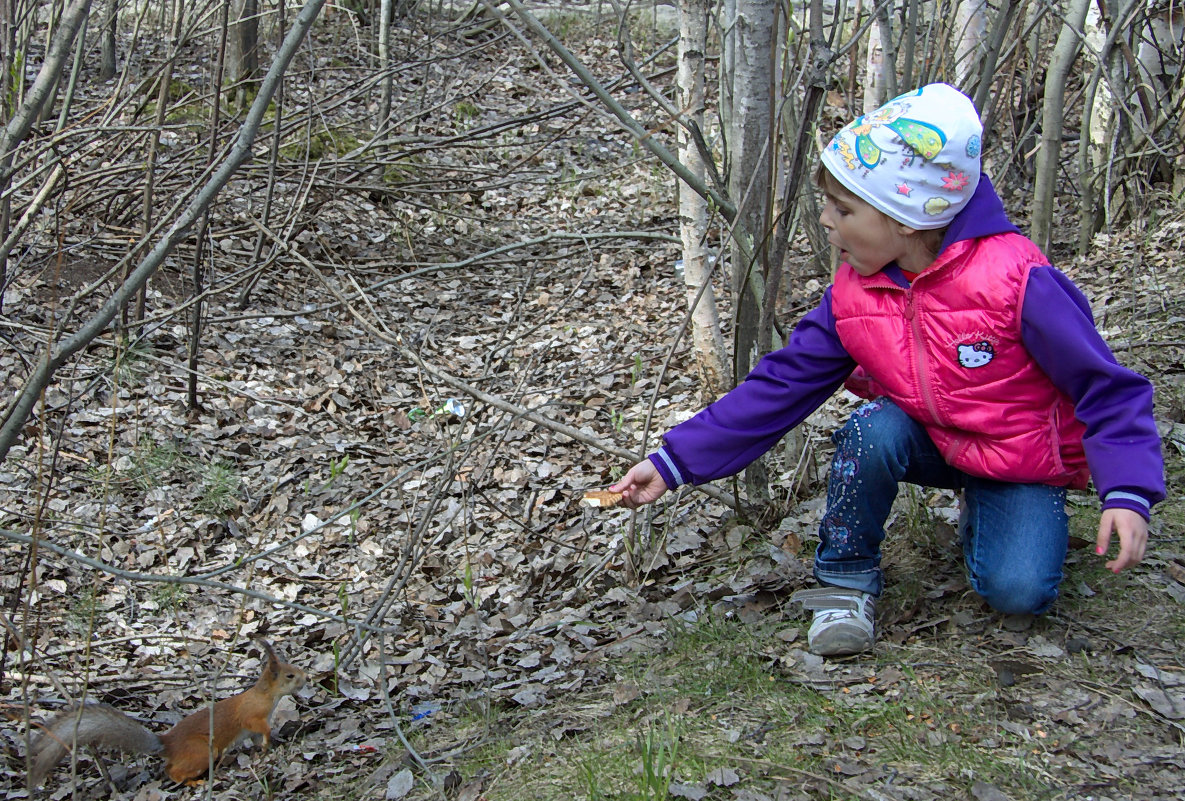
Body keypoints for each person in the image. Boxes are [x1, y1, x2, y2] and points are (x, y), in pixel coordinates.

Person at [609, 83, 1165, 657]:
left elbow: (1107, 388)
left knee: (1019, 591)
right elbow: (783, 383)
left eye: (843, 209)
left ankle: (989, 515)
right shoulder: (855, 293)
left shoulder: (1015, 281)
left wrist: (1127, 490)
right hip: (933, 439)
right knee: (872, 428)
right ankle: (845, 580)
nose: (825, 221)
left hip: (1018, 460)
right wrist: (673, 462)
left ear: (906, 219)